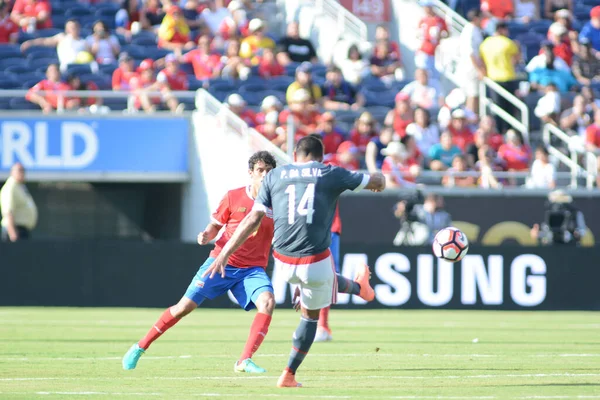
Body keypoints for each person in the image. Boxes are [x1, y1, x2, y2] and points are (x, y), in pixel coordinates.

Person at [122, 151, 376, 374]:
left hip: (252, 270)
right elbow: (215, 224)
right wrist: (208, 234)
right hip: (220, 264)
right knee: (182, 308)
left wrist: (299, 283)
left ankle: (244, 360)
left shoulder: (280, 203)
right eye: (260, 171)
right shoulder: (233, 197)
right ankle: (140, 346)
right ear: (250, 173)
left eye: (268, 171)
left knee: (267, 302)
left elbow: (288, 243)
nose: (264, 175)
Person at [206, 137, 386, 387]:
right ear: (321, 158)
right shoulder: (330, 172)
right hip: (314, 258)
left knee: (318, 280)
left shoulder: (274, 176)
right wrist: (379, 177)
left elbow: (252, 220)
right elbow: (377, 181)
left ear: (294, 154)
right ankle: (289, 374)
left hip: (282, 261)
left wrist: (224, 253)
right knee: (310, 315)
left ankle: (358, 288)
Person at [1, 163, 38, 242]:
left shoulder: (20, 187)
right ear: (12, 172)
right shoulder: (10, 187)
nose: (22, 173)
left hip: (22, 231)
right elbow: (8, 211)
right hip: (14, 231)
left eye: (23, 170)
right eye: (19, 170)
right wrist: (12, 234)